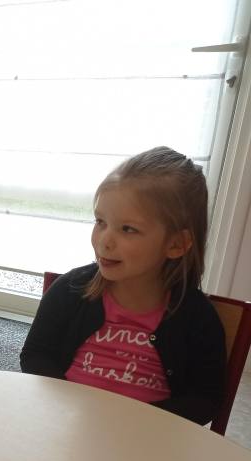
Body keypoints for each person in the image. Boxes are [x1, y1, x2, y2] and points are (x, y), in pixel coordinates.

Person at [20, 146, 225, 425]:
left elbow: (205, 399)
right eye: (100, 222)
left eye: (128, 229)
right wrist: (69, 405)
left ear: (176, 244)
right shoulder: (70, 290)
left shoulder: (197, 317)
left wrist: (134, 422)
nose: (104, 240)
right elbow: (35, 355)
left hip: (145, 440)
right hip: (67, 425)